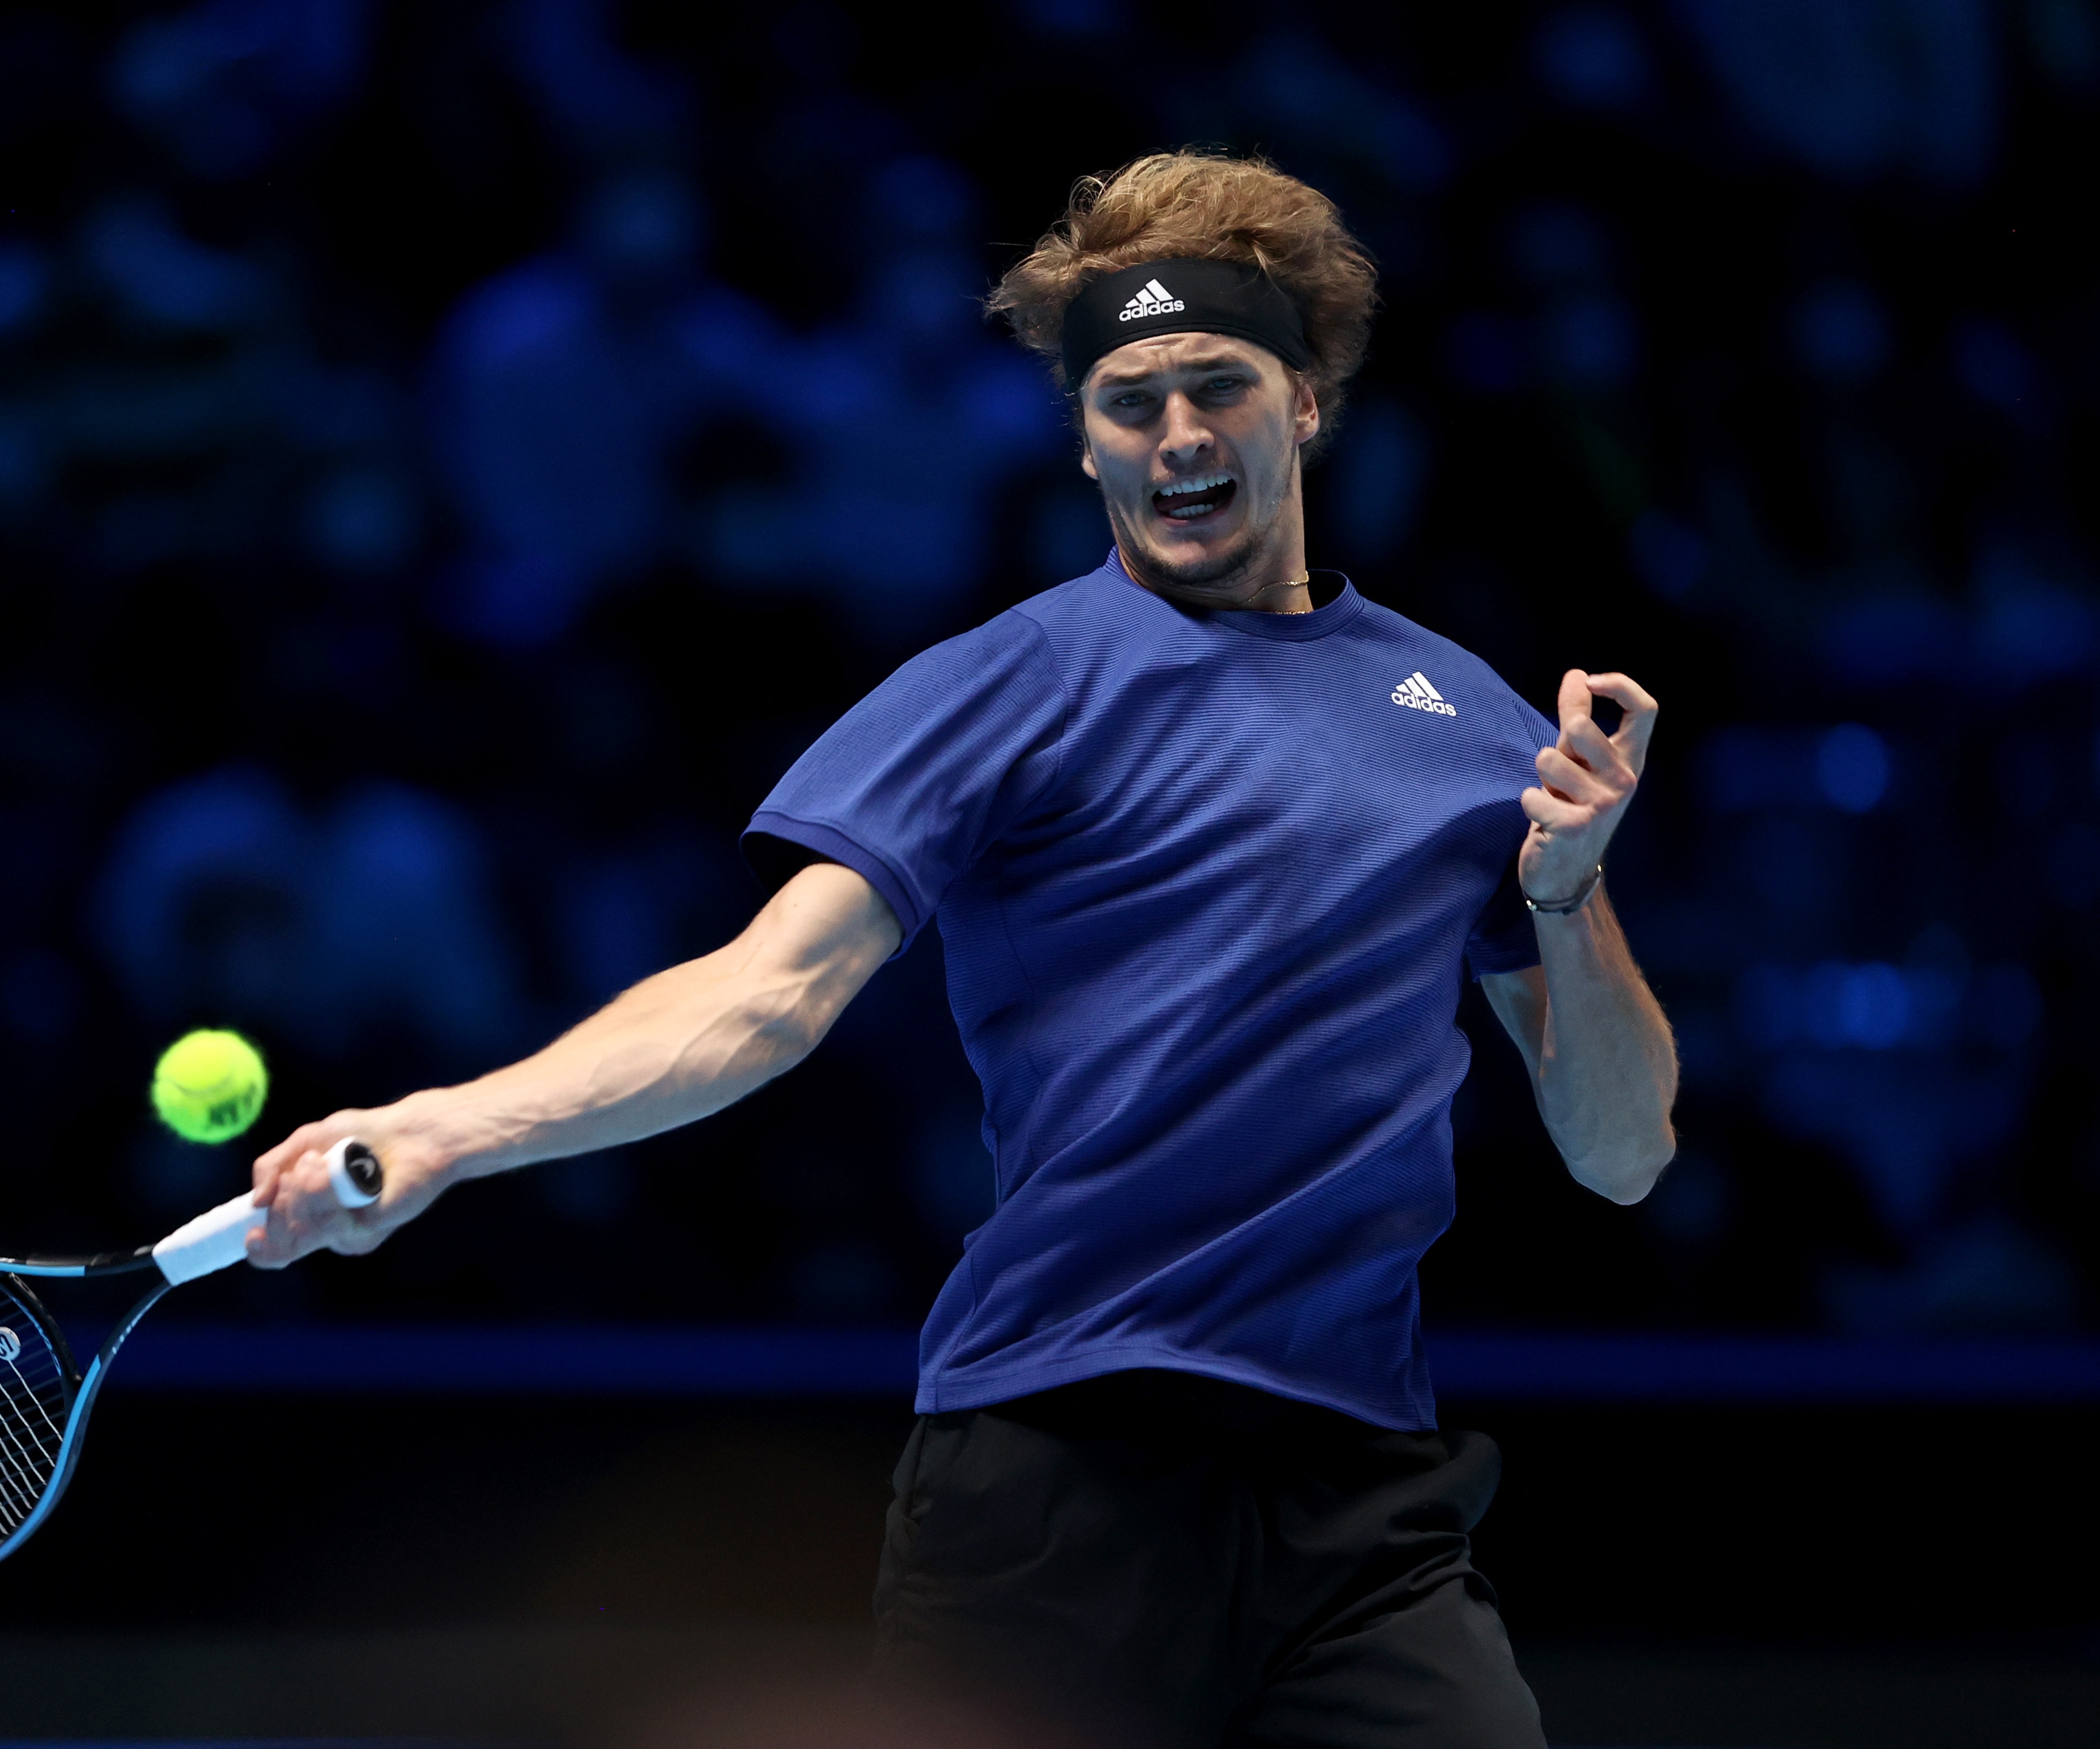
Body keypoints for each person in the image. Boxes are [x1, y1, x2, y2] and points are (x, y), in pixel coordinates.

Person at [248, 149, 1677, 1748]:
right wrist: (445, 1128)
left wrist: (1570, 898)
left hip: (1365, 1507)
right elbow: (763, 995)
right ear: (1084, 443)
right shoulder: (1011, 684)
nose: (1182, 437)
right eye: (1132, 403)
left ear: (1311, 404)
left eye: (1220, 386)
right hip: (1059, 1475)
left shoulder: (1471, 723)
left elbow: (1622, 1153)